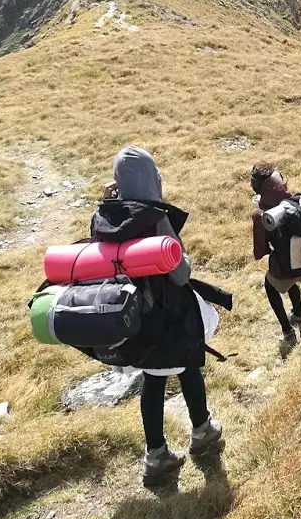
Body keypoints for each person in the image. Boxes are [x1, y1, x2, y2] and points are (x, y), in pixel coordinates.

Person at [90, 147, 226, 488]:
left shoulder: (104, 215)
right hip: (171, 318)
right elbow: (180, 274)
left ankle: (155, 455)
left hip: (134, 320)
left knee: (152, 381)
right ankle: (202, 431)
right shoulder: (153, 216)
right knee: (189, 367)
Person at [251, 162, 301, 356]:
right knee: (291, 283)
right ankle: (299, 317)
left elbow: (260, 250)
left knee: (271, 286)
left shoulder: (262, 215)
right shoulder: (293, 201)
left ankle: (287, 331)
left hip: (284, 264)